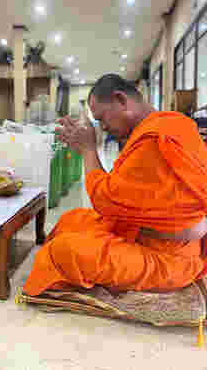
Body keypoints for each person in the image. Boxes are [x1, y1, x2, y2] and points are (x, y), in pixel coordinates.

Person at [23, 74, 207, 296]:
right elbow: (120, 189)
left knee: (61, 252)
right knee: (69, 220)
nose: (104, 127)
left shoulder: (156, 139)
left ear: (121, 100)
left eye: (102, 119)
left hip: (168, 257)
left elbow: (106, 200)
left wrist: (88, 150)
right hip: (140, 233)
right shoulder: (163, 125)